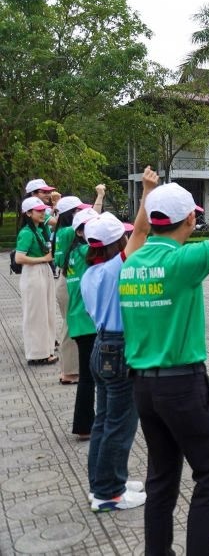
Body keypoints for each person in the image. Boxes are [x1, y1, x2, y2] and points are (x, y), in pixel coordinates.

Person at [118, 148, 209, 554]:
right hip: (182, 385)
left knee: (161, 478)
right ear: (191, 219)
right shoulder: (184, 261)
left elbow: (140, 235)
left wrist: (148, 194)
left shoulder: (130, 262)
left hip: (143, 388)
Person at [81, 166, 158, 513]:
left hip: (101, 346)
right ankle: (109, 493)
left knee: (103, 420)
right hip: (118, 348)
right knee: (120, 423)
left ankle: (104, 482)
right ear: (117, 243)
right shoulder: (116, 267)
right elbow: (142, 229)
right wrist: (146, 191)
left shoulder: (89, 272)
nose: (130, 239)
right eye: (124, 238)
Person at [52, 188, 104, 384]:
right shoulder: (68, 232)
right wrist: (99, 197)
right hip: (71, 280)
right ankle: (70, 371)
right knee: (70, 325)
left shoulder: (62, 230)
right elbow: (95, 220)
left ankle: (71, 368)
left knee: (70, 323)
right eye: (78, 211)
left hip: (67, 279)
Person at [64, 207, 101, 440]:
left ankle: (86, 422)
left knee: (89, 375)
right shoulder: (88, 251)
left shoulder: (74, 253)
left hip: (78, 320)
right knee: (89, 377)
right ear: (79, 232)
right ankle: (85, 425)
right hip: (86, 322)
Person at [14, 196, 59, 365]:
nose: (42, 213)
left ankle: (46, 349)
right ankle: (36, 353)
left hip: (43, 270)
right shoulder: (26, 233)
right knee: (35, 314)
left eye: (43, 210)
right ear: (28, 213)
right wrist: (43, 258)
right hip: (33, 273)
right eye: (38, 210)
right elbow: (19, 258)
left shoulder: (40, 230)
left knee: (46, 311)